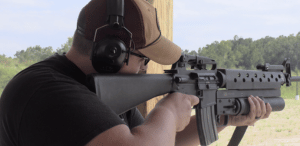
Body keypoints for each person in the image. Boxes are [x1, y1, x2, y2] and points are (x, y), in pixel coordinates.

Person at [0, 0, 272, 145]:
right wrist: (167, 111)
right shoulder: (47, 90)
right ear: (111, 51)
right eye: (143, 59)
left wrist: (222, 118)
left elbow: (161, 142)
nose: (146, 68)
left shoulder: (101, 91)